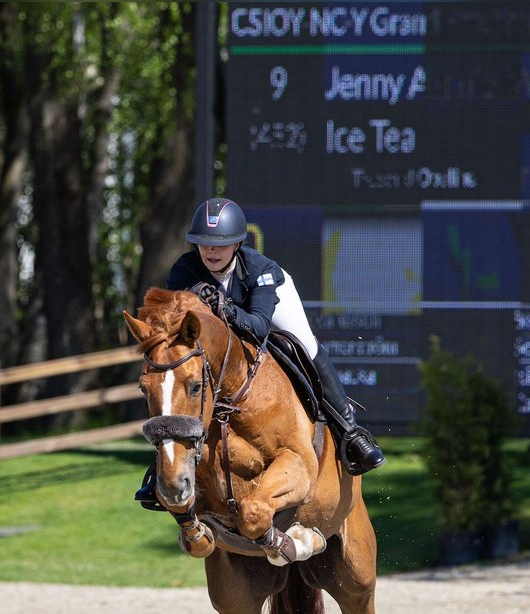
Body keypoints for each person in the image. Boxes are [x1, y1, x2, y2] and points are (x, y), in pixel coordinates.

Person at [135, 197, 385, 507]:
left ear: (237, 243)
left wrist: (222, 307)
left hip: (265, 308)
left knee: (303, 342)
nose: (211, 251)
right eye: (204, 243)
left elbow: (259, 326)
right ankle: (162, 465)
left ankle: (350, 431)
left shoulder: (260, 270)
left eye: (220, 244)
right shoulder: (185, 270)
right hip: (224, 333)